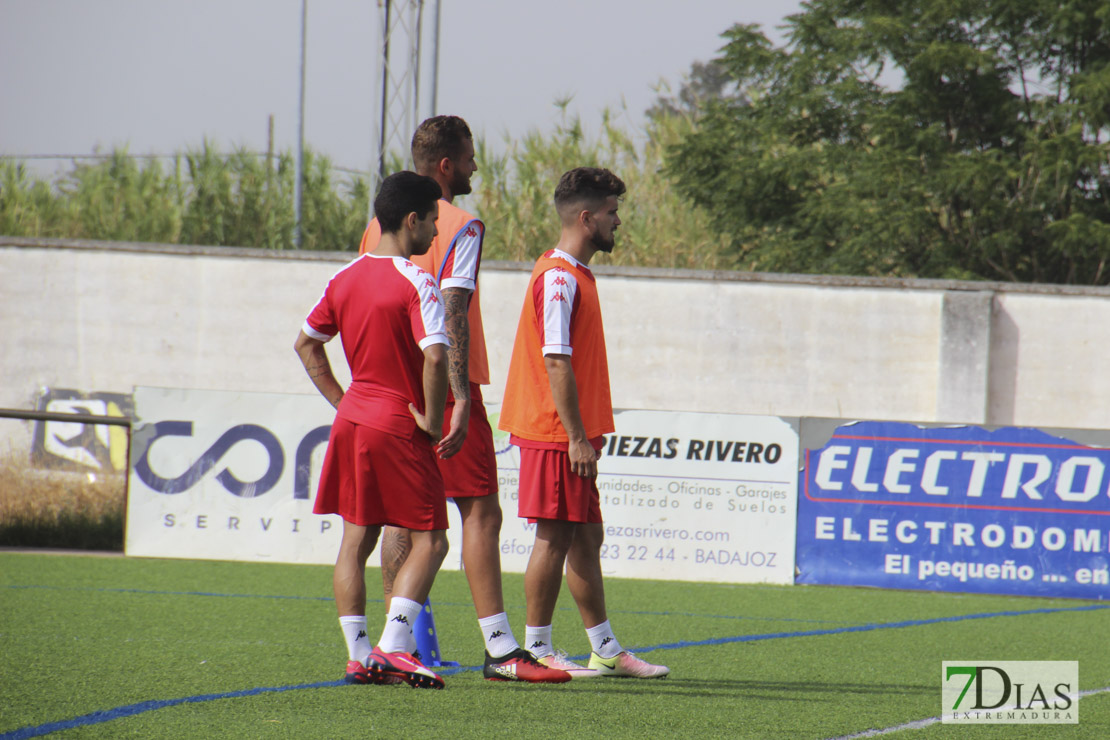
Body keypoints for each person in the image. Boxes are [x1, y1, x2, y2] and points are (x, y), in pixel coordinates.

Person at [360, 115, 569, 683]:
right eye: (471, 158)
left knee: (402, 519)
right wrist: (460, 397)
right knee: (480, 511)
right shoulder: (461, 224)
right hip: (448, 385)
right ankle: (501, 649)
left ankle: (395, 647)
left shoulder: (375, 228)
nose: (477, 166)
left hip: (392, 388)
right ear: (447, 165)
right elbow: (453, 313)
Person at [498, 167, 670, 679]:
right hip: (554, 433)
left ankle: (605, 648)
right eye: (613, 213)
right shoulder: (557, 278)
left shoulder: (574, 274)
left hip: (572, 435)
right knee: (552, 537)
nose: (619, 223)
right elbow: (555, 360)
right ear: (587, 216)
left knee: (587, 536)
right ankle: (536, 648)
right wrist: (574, 436)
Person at [295, 171, 452, 689]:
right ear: (412, 220)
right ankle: (393, 647)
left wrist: (345, 403)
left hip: (355, 418)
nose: (434, 231)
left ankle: (359, 655)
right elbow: (435, 356)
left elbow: (306, 344)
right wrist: (431, 418)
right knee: (431, 540)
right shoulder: (417, 280)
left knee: (355, 539)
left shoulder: (343, 278)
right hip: (397, 423)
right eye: (432, 220)